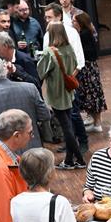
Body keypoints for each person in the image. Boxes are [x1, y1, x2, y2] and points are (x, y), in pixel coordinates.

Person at [0, 55, 51, 149]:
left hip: (2, 152)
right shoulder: (30, 88)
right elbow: (45, 115)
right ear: (4, 69)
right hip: (32, 148)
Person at [37, 21, 85, 169]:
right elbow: (76, 64)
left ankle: (80, 159)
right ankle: (69, 160)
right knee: (68, 123)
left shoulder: (49, 52)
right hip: (68, 90)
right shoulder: (69, 48)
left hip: (56, 92)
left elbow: (41, 72)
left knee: (66, 128)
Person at [72, 12, 107, 133]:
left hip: (88, 69)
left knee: (92, 94)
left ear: (80, 22)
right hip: (90, 68)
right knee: (92, 94)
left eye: (74, 21)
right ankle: (95, 121)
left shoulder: (84, 35)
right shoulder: (87, 32)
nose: (72, 23)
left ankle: (97, 122)